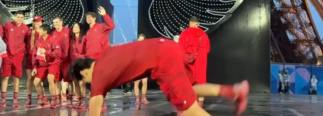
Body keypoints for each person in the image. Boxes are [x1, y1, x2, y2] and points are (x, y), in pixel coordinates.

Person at [68, 38, 249, 116]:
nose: (88, 84)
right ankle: (234, 91)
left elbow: (94, 110)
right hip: (169, 46)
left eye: (84, 81)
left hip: (162, 60)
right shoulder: (107, 54)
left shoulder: (99, 73)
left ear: (84, 72)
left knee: (188, 109)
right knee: (190, 89)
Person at [179, 16, 210, 107]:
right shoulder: (204, 35)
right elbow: (207, 49)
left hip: (188, 62)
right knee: (201, 79)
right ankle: (200, 102)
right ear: (197, 24)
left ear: (190, 23)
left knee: (189, 80)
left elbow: (179, 50)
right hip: (201, 62)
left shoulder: (184, 34)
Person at [0, 11, 28, 108]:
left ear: (23, 18)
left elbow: (28, 41)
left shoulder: (26, 28)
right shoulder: (7, 25)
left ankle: (15, 100)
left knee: (16, 77)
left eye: (21, 17)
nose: (19, 18)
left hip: (18, 56)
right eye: (18, 17)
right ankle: (3, 100)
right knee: (5, 77)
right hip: (8, 55)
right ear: (14, 17)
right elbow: (1, 37)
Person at [31, 24, 62, 109]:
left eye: (40, 30)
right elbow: (35, 54)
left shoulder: (53, 40)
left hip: (53, 64)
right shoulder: (38, 40)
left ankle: (53, 99)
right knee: (36, 82)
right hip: (42, 65)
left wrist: (46, 51)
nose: (38, 31)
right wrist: (34, 67)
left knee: (50, 78)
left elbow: (58, 54)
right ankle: (43, 98)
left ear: (45, 31)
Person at [24, 16, 49, 107]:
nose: (36, 23)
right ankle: (29, 98)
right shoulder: (29, 32)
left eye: (38, 21)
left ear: (41, 22)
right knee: (30, 78)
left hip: (39, 59)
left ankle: (40, 97)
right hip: (30, 58)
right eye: (34, 21)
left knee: (38, 80)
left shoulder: (43, 33)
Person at [50, 17, 71, 106]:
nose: (56, 24)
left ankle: (69, 96)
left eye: (57, 22)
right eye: (54, 22)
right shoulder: (52, 33)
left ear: (62, 22)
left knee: (68, 79)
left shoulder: (68, 31)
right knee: (57, 80)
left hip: (67, 59)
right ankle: (59, 97)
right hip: (57, 60)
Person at [69, 22, 86, 109]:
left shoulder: (84, 38)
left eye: (76, 27)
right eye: (74, 27)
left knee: (82, 82)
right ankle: (78, 99)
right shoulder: (71, 39)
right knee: (75, 82)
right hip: (73, 63)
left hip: (82, 63)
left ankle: (83, 100)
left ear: (80, 28)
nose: (74, 28)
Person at [134, 34, 149, 105]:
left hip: (144, 66)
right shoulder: (134, 47)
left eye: (142, 40)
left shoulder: (146, 48)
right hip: (136, 66)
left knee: (145, 82)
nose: (141, 41)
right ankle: (137, 99)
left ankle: (143, 98)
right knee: (136, 83)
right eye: (139, 39)